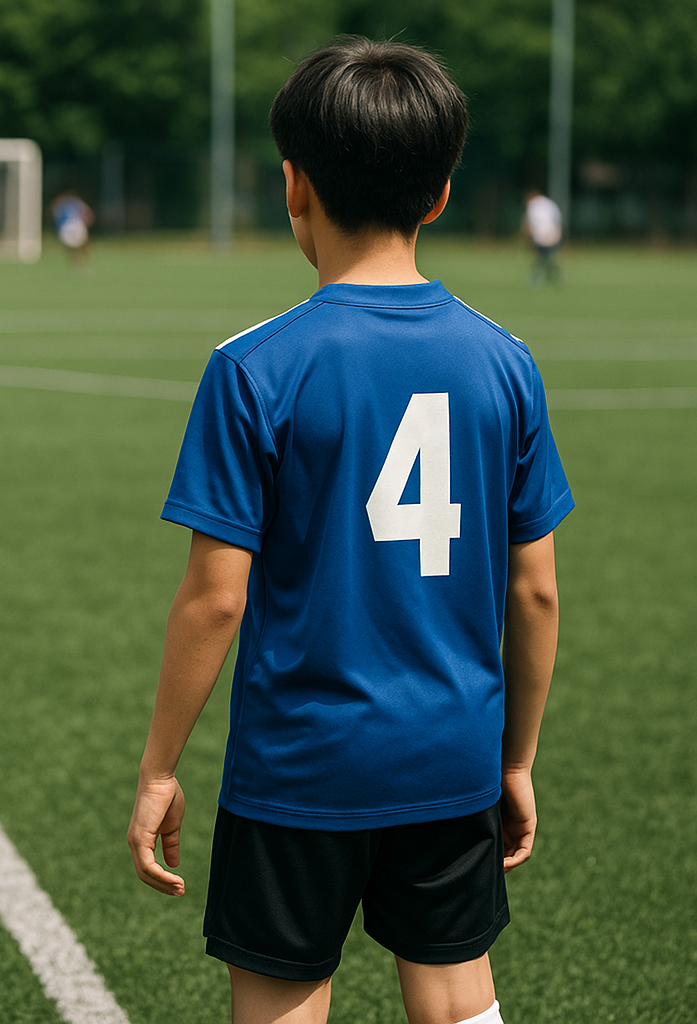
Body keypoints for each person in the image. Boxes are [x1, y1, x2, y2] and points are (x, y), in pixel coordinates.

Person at [127, 36, 574, 1024]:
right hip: (450, 755)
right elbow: (535, 590)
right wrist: (513, 758)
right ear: (442, 193)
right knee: (458, 1000)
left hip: (299, 769)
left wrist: (160, 766)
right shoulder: (506, 361)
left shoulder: (253, 367)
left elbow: (215, 595)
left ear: (293, 186)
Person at [522, 189, 563, 287]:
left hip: (541, 236)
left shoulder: (533, 206)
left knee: (544, 258)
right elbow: (558, 220)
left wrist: (524, 237)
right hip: (551, 235)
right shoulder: (549, 203)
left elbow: (529, 223)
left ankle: (540, 277)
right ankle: (553, 276)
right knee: (545, 258)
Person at [51, 190, 94, 264]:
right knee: (84, 245)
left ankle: (75, 262)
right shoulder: (78, 202)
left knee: (70, 247)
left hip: (65, 228)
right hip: (77, 225)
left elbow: (55, 215)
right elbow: (88, 215)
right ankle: (85, 262)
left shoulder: (61, 204)